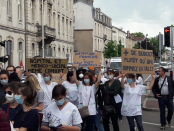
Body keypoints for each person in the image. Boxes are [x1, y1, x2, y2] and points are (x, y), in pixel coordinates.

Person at [73, 65, 101, 131]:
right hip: (81, 110)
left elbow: (98, 81)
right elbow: (75, 79)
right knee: (80, 128)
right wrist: (74, 69)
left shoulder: (93, 87)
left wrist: (99, 71)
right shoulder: (80, 85)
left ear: (90, 79)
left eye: (87, 78)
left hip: (91, 111)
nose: (86, 79)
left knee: (89, 128)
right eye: (85, 78)